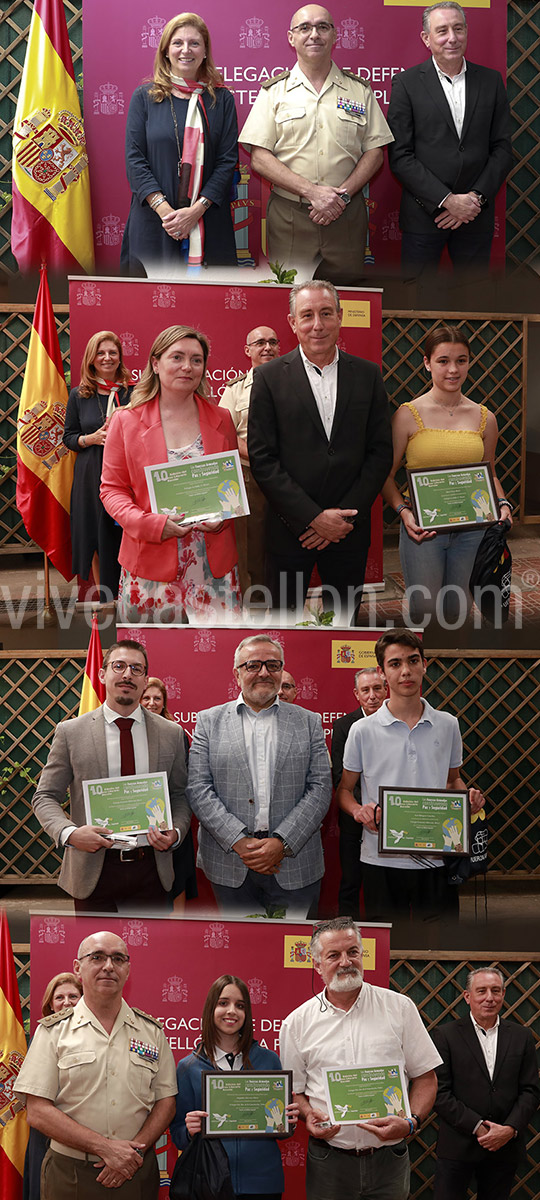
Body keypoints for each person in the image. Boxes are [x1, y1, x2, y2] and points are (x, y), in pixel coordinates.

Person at [247, 281, 393, 621]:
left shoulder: (369, 376)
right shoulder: (268, 378)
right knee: (285, 624)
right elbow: (263, 458)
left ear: (340, 317)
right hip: (289, 530)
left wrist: (343, 519)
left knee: (344, 622)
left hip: (349, 531)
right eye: (308, 315)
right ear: (293, 322)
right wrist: (312, 518)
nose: (318, 324)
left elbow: (380, 452)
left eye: (326, 314)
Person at [279, 917, 441, 1200]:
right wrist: (308, 1116)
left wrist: (411, 1122)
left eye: (353, 951)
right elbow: (296, 1092)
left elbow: (426, 1078)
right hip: (330, 1162)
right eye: (334, 955)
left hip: (389, 1160)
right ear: (317, 965)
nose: (346, 962)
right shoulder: (297, 1023)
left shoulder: (399, 1008)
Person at [337, 630, 486, 924]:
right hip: (379, 860)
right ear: (382, 672)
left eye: (413, 661)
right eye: (395, 664)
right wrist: (358, 811)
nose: (405, 671)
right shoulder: (362, 730)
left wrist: (467, 797)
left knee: (441, 945)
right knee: (387, 947)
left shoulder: (448, 724)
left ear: (424, 665)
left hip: (437, 858)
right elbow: (344, 789)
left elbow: (452, 780)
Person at [15, 930, 177, 1200]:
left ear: (128, 969)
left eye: (118, 959)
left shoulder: (151, 1032)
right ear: (78, 968)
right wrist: (106, 1148)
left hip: (135, 1172)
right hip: (70, 1174)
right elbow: (37, 1111)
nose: (108, 966)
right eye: (97, 957)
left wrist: (132, 1154)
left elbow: (166, 1102)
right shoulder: (53, 1032)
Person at [32, 639, 191, 912]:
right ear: (103, 674)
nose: (127, 674)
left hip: (152, 871)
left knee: (152, 954)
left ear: (145, 680)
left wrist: (175, 832)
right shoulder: (71, 732)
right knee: (95, 954)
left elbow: (180, 795)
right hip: (92, 871)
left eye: (136, 669)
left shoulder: (171, 733)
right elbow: (45, 796)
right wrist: (69, 833)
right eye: (119, 666)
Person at [239, 4, 392, 283]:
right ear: (291, 37)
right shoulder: (274, 92)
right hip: (290, 218)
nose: (314, 34)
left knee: (347, 302)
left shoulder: (359, 89)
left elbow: (375, 152)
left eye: (323, 27)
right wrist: (313, 192)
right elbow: (260, 157)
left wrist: (339, 197)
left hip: (345, 215)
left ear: (335, 36)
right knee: (288, 298)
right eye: (305, 28)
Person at [100, 325, 242, 624]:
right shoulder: (125, 420)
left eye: (196, 360)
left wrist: (225, 515)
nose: (187, 367)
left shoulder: (222, 418)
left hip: (213, 567)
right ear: (155, 363)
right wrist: (151, 525)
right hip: (150, 566)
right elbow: (111, 490)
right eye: (176, 357)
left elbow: (229, 483)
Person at [187, 634, 332, 917]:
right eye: (253, 665)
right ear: (237, 673)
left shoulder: (309, 722)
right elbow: (198, 788)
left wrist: (282, 843)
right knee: (244, 954)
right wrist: (239, 841)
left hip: (294, 863)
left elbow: (320, 788)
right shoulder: (208, 721)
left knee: (294, 955)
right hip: (230, 863)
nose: (264, 672)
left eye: (272, 665)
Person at [382, 325, 513, 626]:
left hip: (473, 531)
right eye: (443, 361)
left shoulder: (485, 417)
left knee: (458, 612)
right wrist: (403, 513)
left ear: (469, 362)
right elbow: (385, 475)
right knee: (424, 612)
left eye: (461, 360)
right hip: (423, 531)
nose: (453, 369)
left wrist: (503, 502)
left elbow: (489, 472)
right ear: (427, 362)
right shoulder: (407, 414)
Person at [387, 1, 512, 280]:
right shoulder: (406, 84)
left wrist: (473, 200)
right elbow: (400, 155)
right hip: (424, 218)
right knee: (416, 305)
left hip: (474, 216)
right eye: (442, 31)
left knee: (475, 305)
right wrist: (446, 201)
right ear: (426, 39)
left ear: (467, 32)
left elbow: (502, 149)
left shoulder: (491, 81)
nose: (452, 38)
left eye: (458, 28)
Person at [121, 12, 238, 276]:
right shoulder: (144, 97)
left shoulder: (222, 100)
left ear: (205, 51)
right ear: (165, 51)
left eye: (194, 43)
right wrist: (167, 212)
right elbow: (134, 160)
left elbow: (227, 161)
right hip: (155, 222)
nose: (186, 50)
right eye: (178, 43)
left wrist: (195, 212)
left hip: (208, 220)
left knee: (208, 310)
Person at [171, 974, 298, 1198]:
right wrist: (189, 1129)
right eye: (223, 1003)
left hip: (263, 1185)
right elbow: (178, 1135)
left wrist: (288, 1122)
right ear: (211, 1008)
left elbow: (280, 1133)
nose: (232, 1011)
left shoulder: (269, 1061)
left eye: (240, 1005)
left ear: (247, 1014)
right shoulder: (187, 1067)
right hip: (209, 1184)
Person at [432, 967, 540, 1200]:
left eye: (495, 991)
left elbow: (530, 1091)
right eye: (481, 991)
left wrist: (509, 1129)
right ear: (467, 996)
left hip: (505, 1147)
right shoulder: (445, 1035)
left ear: (503, 994)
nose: (489, 998)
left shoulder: (522, 1036)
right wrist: (478, 1126)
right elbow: (439, 1092)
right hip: (457, 1147)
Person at [62, 331, 132, 601]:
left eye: (112, 353)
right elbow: (68, 437)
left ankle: (127, 593)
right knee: (94, 532)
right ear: (91, 359)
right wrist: (90, 439)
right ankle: (107, 599)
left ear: (119, 358)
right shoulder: (79, 395)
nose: (107, 358)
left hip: (124, 473)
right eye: (101, 353)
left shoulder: (132, 394)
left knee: (121, 531)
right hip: (90, 472)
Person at [219, 326, 281, 592]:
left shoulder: (296, 385)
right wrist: (261, 459)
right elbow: (225, 434)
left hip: (291, 477)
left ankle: (286, 605)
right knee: (252, 549)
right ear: (248, 351)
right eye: (259, 343)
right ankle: (255, 607)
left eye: (272, 342)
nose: (267, 347)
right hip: (249, 478)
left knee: (288, 546)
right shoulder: (235, 390)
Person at [331, 668, 386, 918]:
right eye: (366, 690)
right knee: (350, 882)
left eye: (378, 689)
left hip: (391, 818)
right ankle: (345, 933)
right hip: (354, 818)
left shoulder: (399, 723)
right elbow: (341, 779)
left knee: (384, 888)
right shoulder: (343, 726)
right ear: (357, 694)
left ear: (387, 690)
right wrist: (362, 809)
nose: (372, 696)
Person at [23, 974, 83, 1200]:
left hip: (84, 1131)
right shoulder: (42, 1034)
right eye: (60, 997)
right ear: (50, 1003)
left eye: (73, 996)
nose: (66, 1002)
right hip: (47, 1132)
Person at [142, 675, 198, 908]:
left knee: (177, 879)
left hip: (170, 824)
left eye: (157, 698)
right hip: (136, 826)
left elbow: (182, 784)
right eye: (146, 697)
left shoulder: (176, 734)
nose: (152, 703)